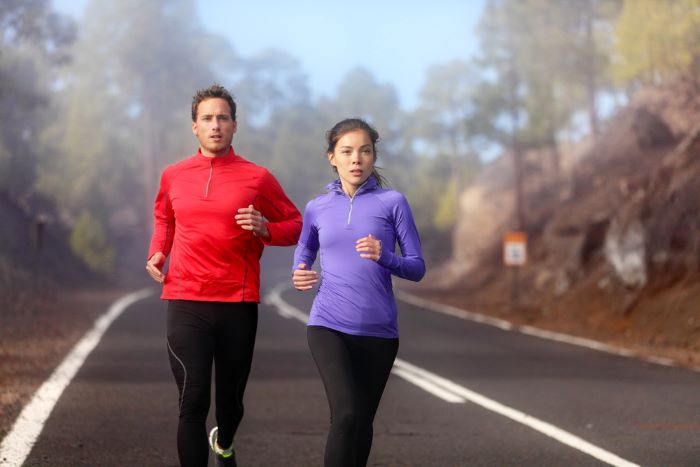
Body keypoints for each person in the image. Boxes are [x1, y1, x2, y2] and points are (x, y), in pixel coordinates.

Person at [146, 84, 302, 467]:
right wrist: (158, 250)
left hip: (237, 302)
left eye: (223, 118)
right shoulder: (174, 176)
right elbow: (165, 217)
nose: (215, 125)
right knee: (192, 402)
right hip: (185, 301)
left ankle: (225, 441)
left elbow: (297, 224)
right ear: (194, 127)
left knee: (230, 404)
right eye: (207, 119)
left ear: (234, 126)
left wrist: (266, 228)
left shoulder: (257, 178)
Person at [292, 118, 425, 467]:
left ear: (373, 156)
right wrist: (300, 271)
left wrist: (386, 256)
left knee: (362, 422)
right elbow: (305, 249)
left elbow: (417, 267)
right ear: (331, 157)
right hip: (328, 325)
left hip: (380, 331)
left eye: (365, 151)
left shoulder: (393, 202)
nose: (356, 159)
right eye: (347, 151)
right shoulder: (317, 207)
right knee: (346, 414)